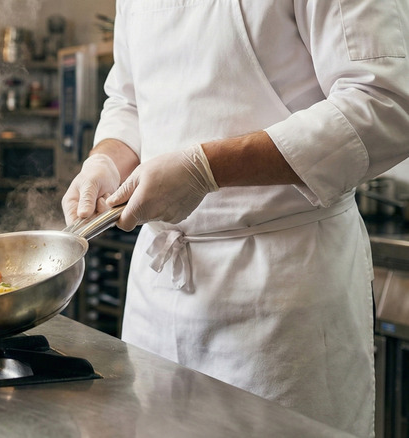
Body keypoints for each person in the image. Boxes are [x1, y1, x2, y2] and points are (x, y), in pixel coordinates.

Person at [62, 2, 409, 437]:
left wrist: (205, 169)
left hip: (279, 298)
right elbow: (129, 100)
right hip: (158, 291)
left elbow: (386, 105)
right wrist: (106, 161)